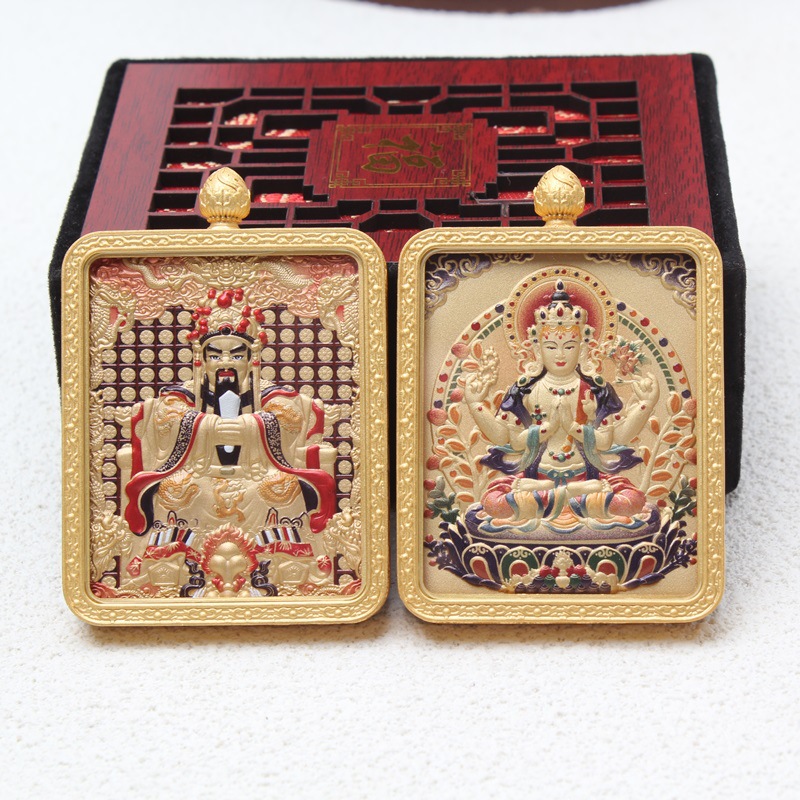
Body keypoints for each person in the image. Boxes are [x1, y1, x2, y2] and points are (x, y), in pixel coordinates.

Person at [117, 288, 337, 550]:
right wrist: (207, 427)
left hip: (256, 475)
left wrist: (249, 427)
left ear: (251, 358)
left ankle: (275, 549)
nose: (225, 362)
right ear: (201, 359)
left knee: (282, 489)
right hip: (199, 474)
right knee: (175, 490)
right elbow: (166, 415)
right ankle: (180, 548)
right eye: (215, 356)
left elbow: (289, 415)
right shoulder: (186, 393)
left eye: (236, 355)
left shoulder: (266, 392)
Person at [464, 281, 658, 534]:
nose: (560, 355)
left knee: (633, 501)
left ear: (582, 348)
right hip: (539, 476)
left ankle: (561, 494)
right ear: (537, 348)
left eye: (569, 346)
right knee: (494, 503)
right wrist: (475, 404)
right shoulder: (527, 390)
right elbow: (508, 439)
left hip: (584, 476)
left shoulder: (595, 389)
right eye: (551, 347)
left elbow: (613, 439)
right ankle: (568, 494)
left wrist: (646, 404)